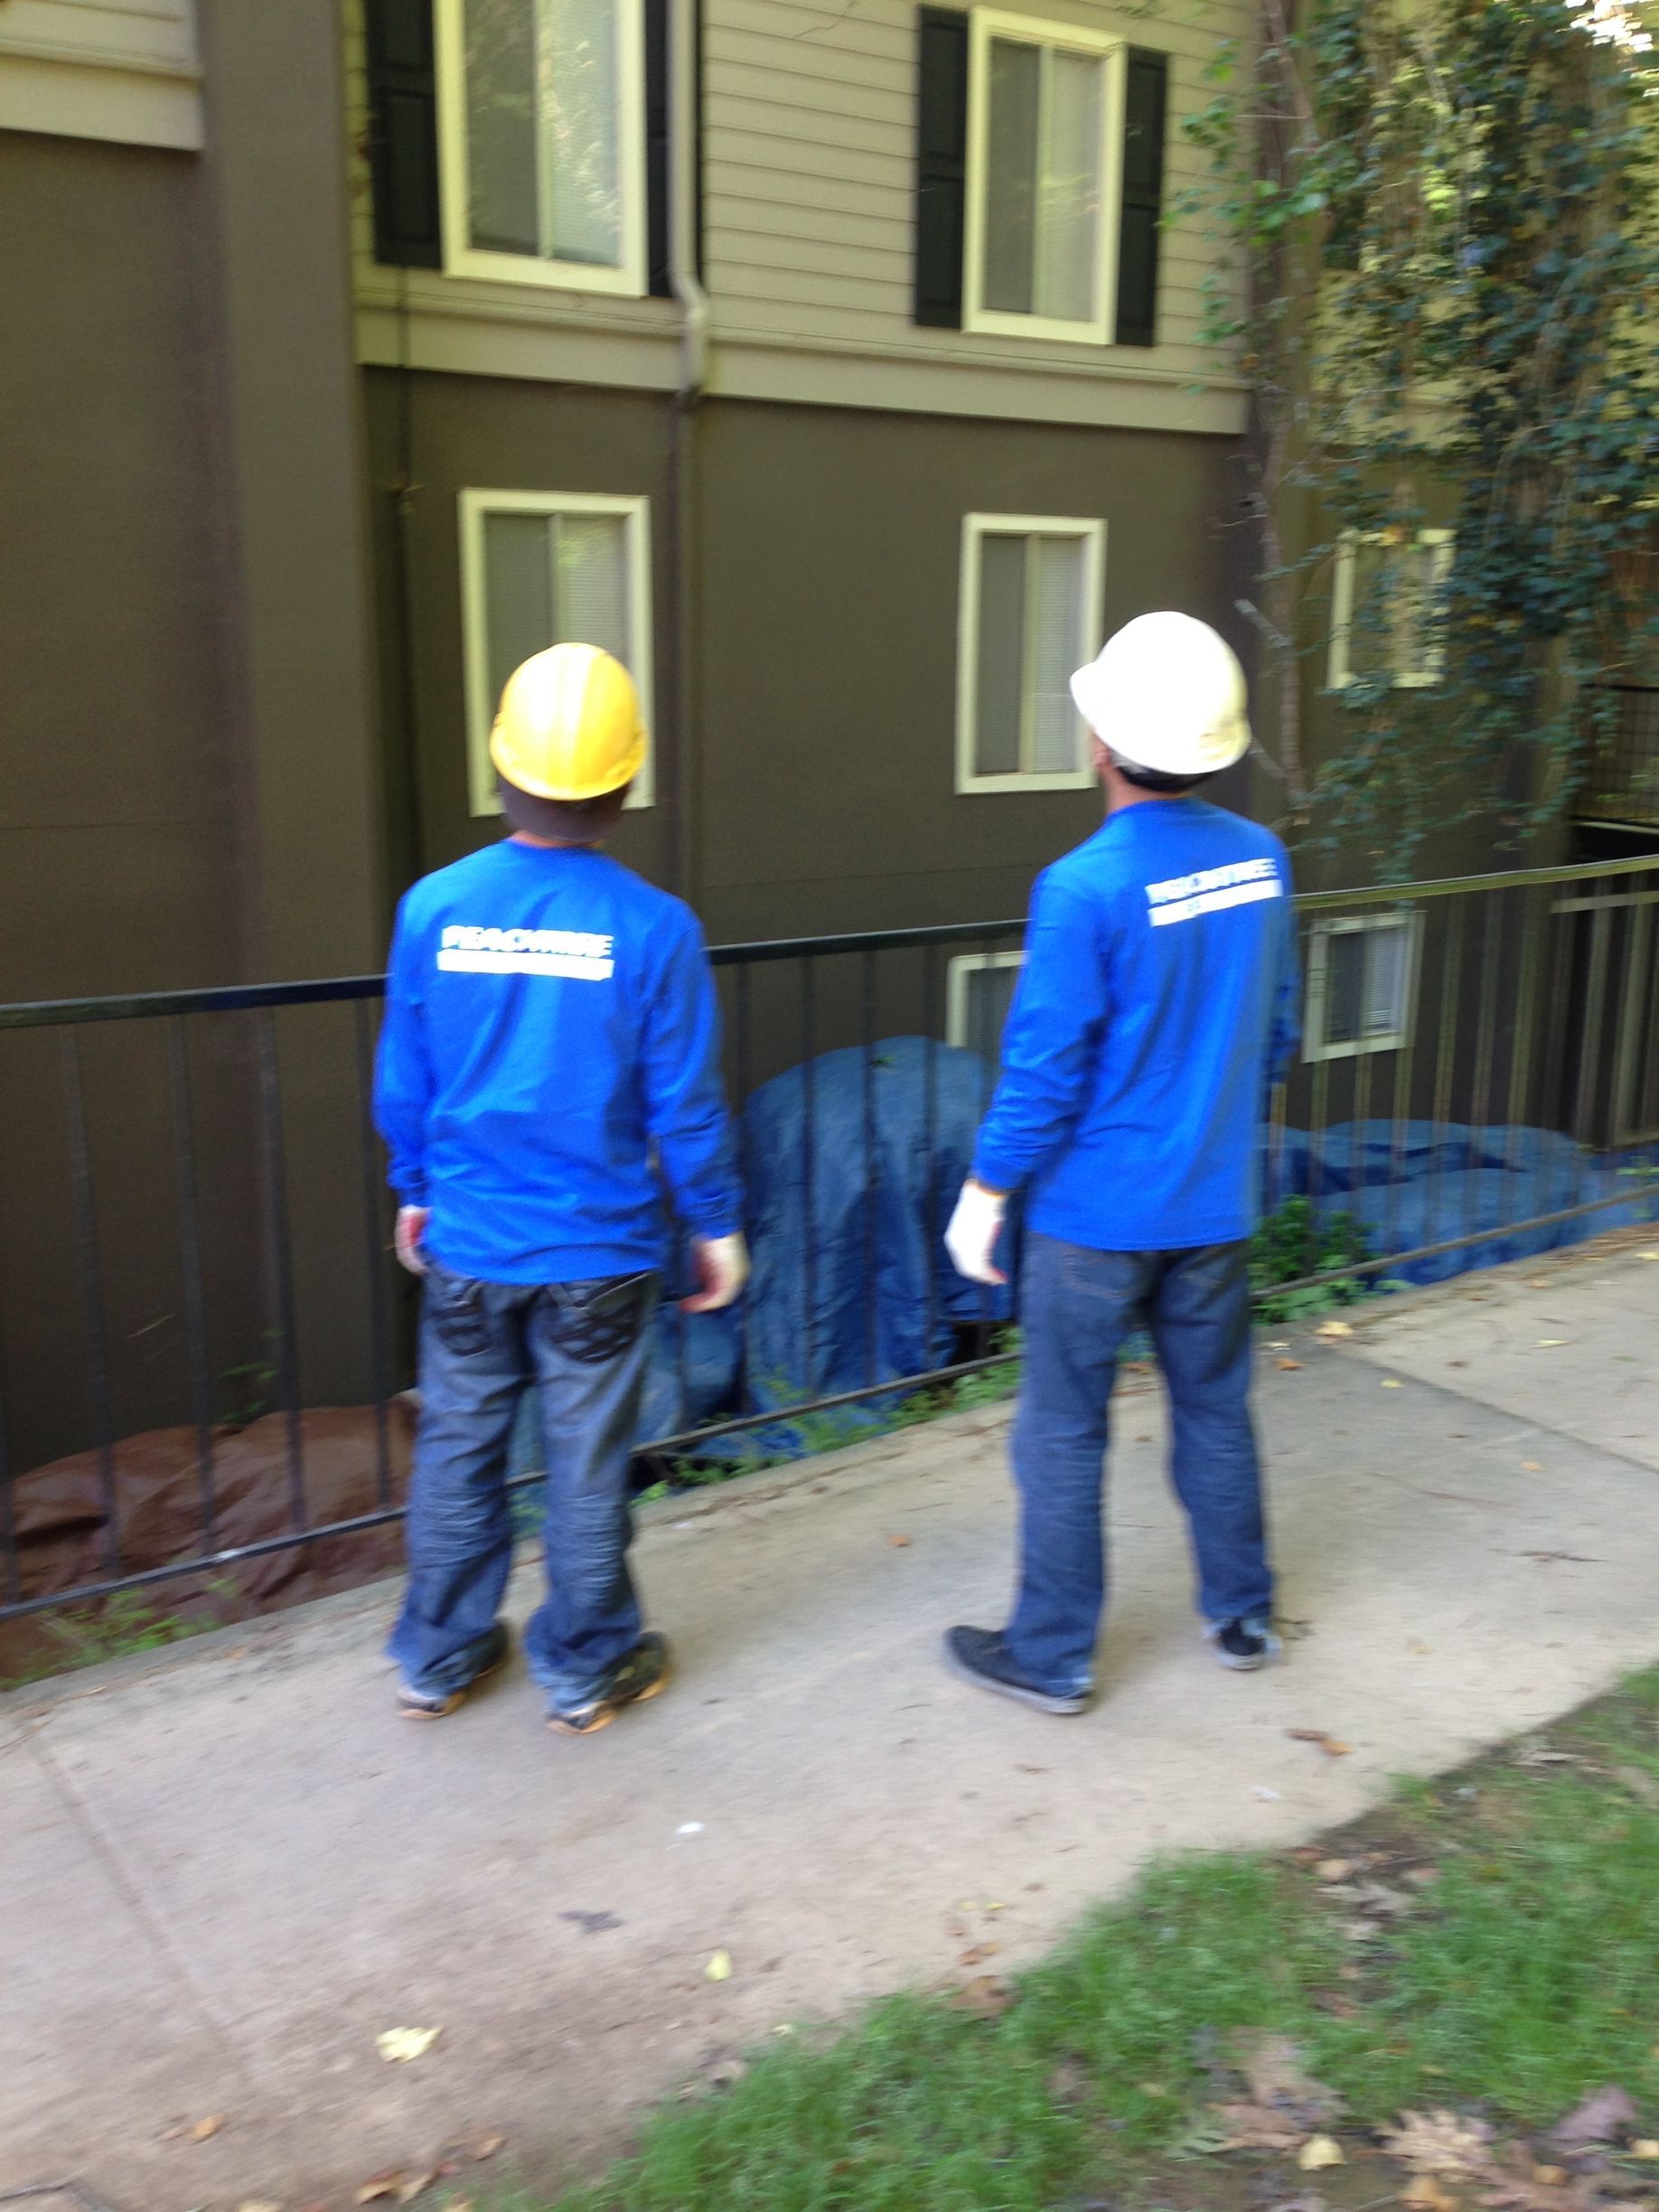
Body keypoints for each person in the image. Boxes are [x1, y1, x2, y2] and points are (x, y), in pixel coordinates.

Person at [374, 642, 746, 1734]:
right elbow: (684, 1105)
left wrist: (414, 1186)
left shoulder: (433, 908)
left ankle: (438, 1657)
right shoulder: (657, 928)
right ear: (625, 784)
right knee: (585, 1467)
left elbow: (406, 1079)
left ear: (503, 768)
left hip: (469, 1243)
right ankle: (587, 1669)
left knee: (458, 1449)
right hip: (601, 1256)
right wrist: (717, 1224)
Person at [942, 611, 1299, 1715]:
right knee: (1215, 1410)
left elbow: (1043, 1071)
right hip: (1214, 1206)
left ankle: (1052, 1655)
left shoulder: (1082, 886)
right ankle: (1241, 1616)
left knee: (1061, 1431)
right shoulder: (1262, 861)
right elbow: (1278, 1033)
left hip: (1092, 1221)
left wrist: (985, 1192)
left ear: (1100, 743)